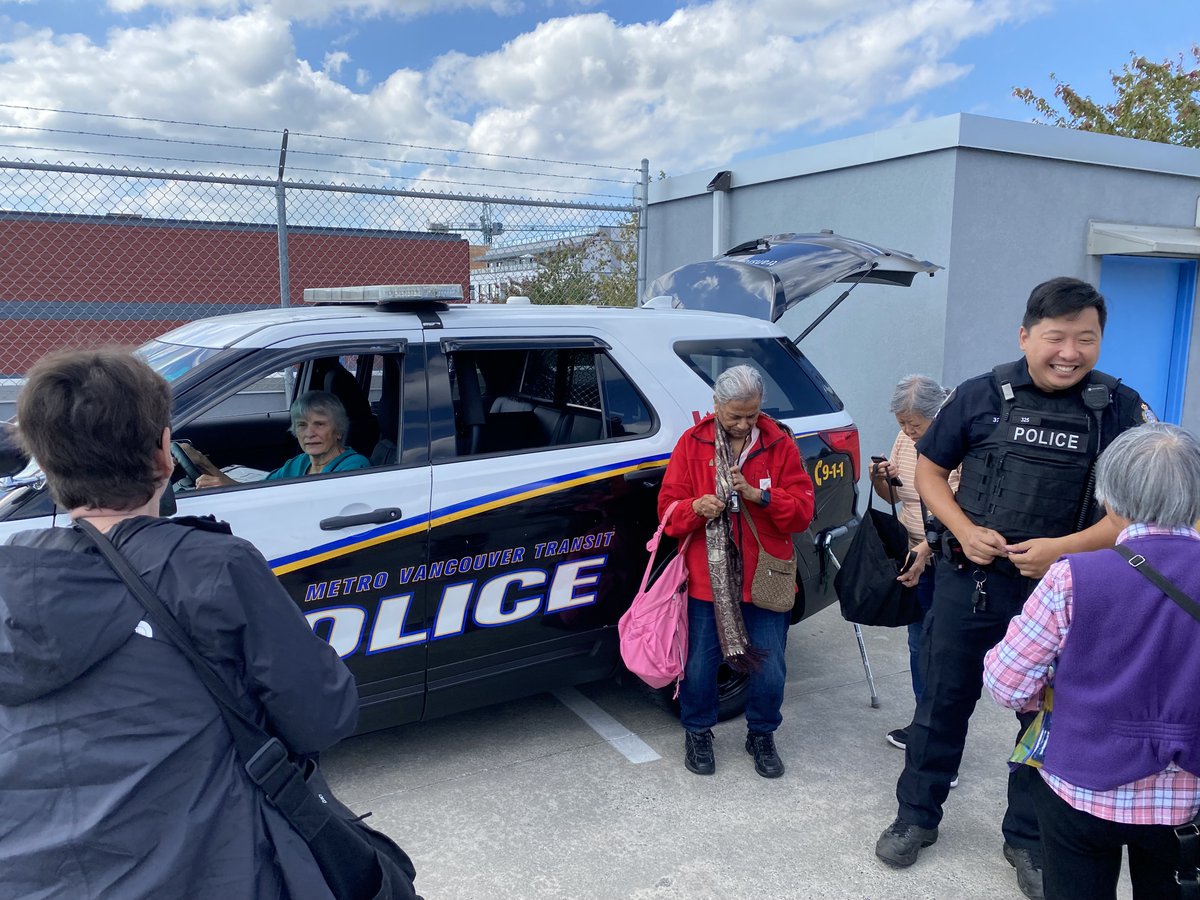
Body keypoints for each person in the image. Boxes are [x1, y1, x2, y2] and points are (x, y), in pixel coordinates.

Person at [0, 349, 360, 899]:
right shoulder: (218, 566)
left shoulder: (13, 574)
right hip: (213, 868)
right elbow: (325, 715)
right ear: (165, 455)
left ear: (46, 467)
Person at [873, 277, 1155, 900]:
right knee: (941, 703)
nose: (1070, 352)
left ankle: (1027, 838)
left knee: (1045, 720)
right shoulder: (978, 395)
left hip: (1067, 593)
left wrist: (1063, 550)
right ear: (1026, 335)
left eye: (1086, 338)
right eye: (1056, 337)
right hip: (968, 583)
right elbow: (929, 469)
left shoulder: (1120, 408)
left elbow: (1129, 511)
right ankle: (917, 815)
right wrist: (964, 530)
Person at [984, 423, 1200, 900]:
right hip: (1191, 801)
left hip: (1082, 783)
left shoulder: (1072, 577)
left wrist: (1059, 691)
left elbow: (1006, 684)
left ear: (1111, 501)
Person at [658, 364, 815, 778]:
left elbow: (802, 512)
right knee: (699, 665)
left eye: (752, 415)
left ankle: (761, 733)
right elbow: (667, 514)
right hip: (708, 578)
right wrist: (694, 508)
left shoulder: (779, 442)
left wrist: (759, 495)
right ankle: (697, 731)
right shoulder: (691, 443)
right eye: (735, 416)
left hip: (766, 574)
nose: (745, 424)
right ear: (716, 405)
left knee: (771, 666)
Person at [868, 375, 959, 755]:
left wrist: (928, 550)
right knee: (918, 641)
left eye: (915, 425)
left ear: (937, 416)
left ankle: (942, 736)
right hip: (911, 551)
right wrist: (880, 479)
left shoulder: (961, 442)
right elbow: (895, 495)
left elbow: (965, 509)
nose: (908, 432)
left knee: (947, 646)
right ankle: (923, 719)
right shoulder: (906, 439)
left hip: (952, 557)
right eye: (902, 424)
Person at [190, 389, 370, 488]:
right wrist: (203, 462)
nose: (309, 433)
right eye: (302, 425)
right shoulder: (298, 463)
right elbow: (256, 493)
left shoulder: (354, 466)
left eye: (320, 424)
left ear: (339, 431)